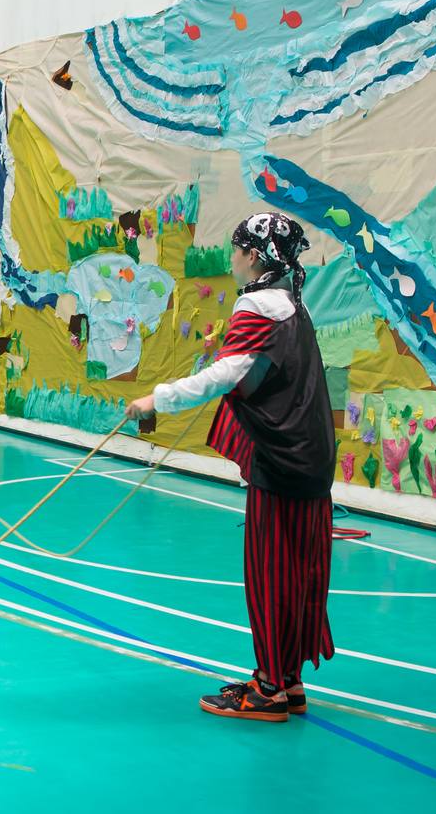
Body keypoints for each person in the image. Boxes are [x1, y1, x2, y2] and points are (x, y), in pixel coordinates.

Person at [126, 211, 336, 722]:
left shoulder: (259, 308)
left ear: (256, 256)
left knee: (268, 575)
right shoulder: (290, 306)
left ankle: (266, 691)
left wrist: (157, 398)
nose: (233, 256)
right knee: (295, 574)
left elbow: (226, 374)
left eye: (239, 247)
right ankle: (286, 680)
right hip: (311, 461)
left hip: (281, 464)